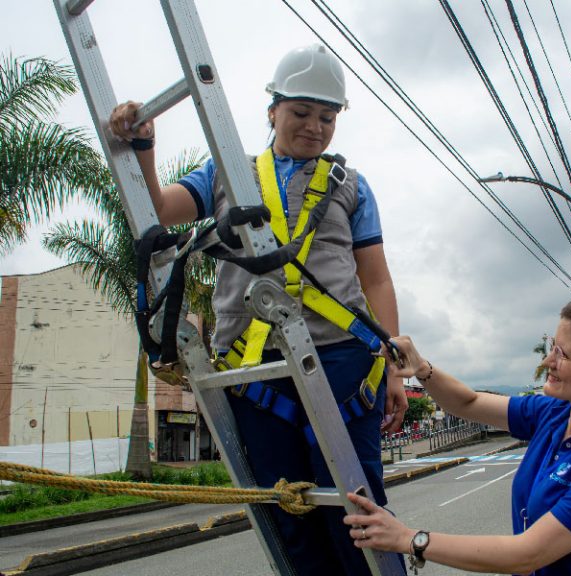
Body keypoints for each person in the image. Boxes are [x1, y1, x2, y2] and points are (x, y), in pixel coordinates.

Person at [109, 44, 407, 575]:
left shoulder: (352, 187)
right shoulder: (226, 173)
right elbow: (160, 210)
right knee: (286, 509)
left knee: (356, 509)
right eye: (301, 113)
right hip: (253, 369)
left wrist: (394, 368)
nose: (315, 127)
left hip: (341, 356)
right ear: (272, 110)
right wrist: (145, 147)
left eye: (327, 117)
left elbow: (376, 277)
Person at [345, 299, 571, 575]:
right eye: (553, 346)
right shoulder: (554, 414)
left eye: (563, 355)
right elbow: (469, 402)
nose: (548, 360)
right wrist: (422, 369)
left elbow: (527, 554)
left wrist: (409, 539)